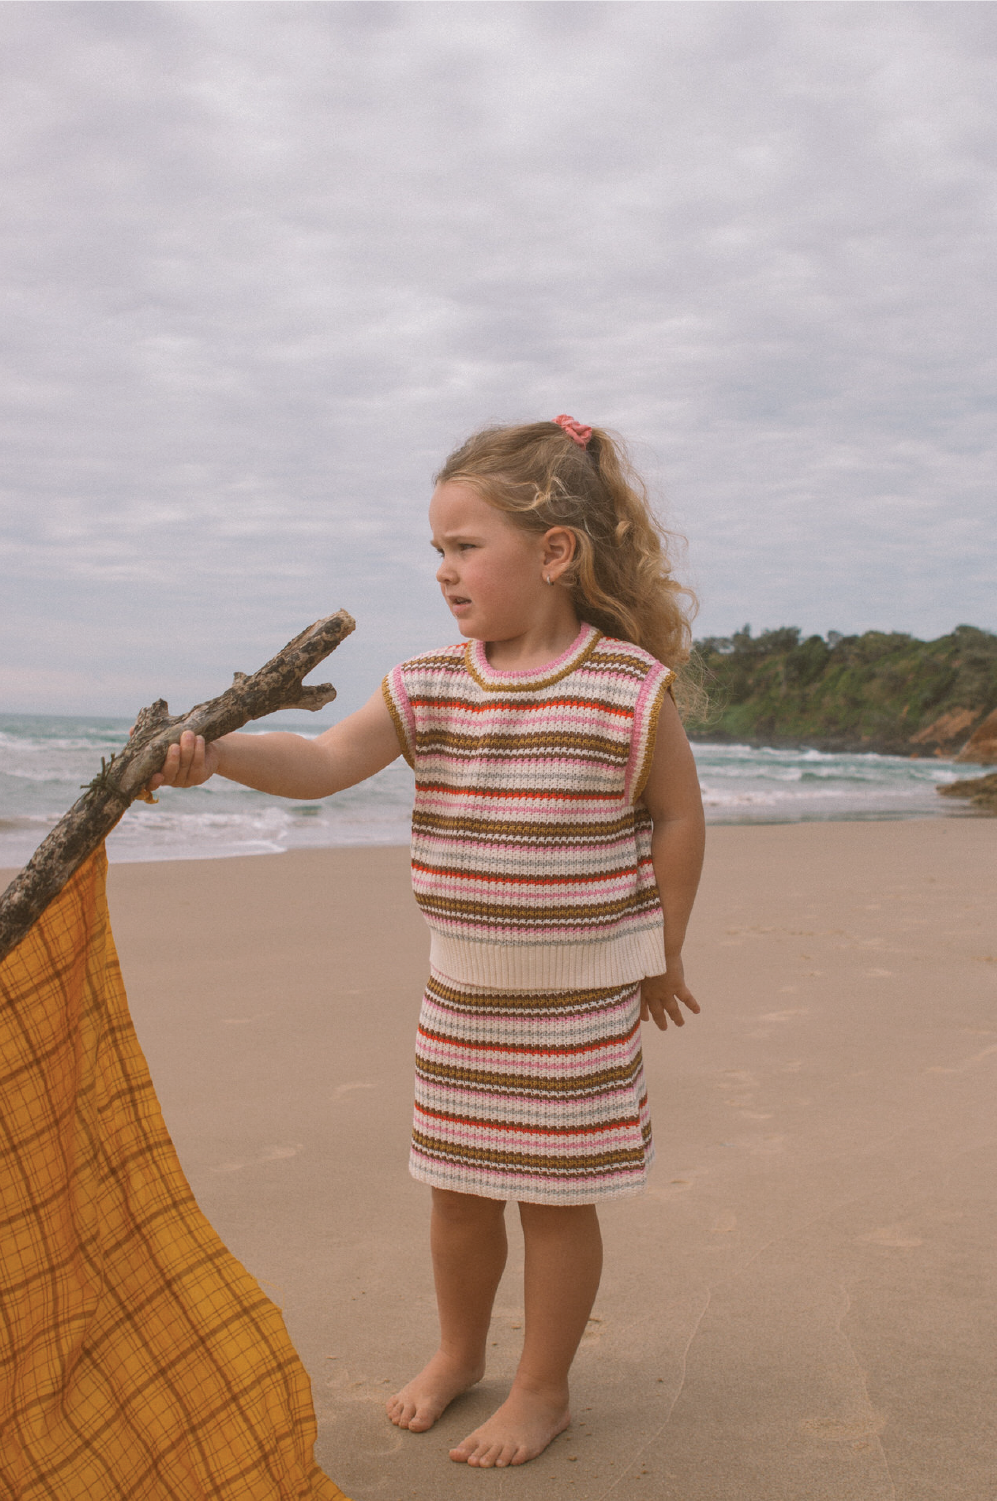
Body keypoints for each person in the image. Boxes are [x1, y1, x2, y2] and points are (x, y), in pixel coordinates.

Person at [151, 415, 705, 1470]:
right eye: (435, 551)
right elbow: (320, 763)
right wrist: (215, 755)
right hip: (463, 993)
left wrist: (663, 946)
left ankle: (541, 1387)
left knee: (552, 1202)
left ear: (554, 551)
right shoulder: (427, 685)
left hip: (579, 999)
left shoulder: (625, 687)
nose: (444, 572)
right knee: (456, 1190)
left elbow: (678, 814)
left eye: (464, 546)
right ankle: (458, 1352)